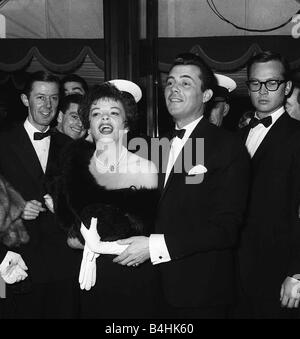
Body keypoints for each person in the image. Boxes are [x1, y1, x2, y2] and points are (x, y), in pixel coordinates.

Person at [111, 53, 250, 319]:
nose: (174, 89)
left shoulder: (228, 146)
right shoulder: (157, 145)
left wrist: (154, 246)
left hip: (200, 292)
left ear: (207, 95)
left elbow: (226, 229)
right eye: (171, 82)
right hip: (150, 288)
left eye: (186, 83)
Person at [55, 80, 160, 319]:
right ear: (88, 124)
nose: (104, 119)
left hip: (133, 279)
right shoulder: (73, 164)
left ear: (125, 122)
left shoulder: (145, 167)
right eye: (96, 114)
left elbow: (139, 226)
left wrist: (94, 237)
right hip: (90, 279)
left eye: (113, 113)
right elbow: (67, 223)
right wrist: (82, 233)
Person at [0, 71, 81, 319]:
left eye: (54, 99)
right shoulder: (3, 143)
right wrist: (16, 207)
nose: (47, 106)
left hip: (64, 263)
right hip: (20, 262)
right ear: (26, 100)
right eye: (40, 98)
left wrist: (64, 207)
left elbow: (83, 204)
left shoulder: (71, 148)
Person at [238, 51, 300, 318]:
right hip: (234, 271)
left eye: (272, 83)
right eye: (255, 83)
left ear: (286, 88)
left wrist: (297, 272)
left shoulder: (297, 136)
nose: (263, 91)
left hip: (278, 270)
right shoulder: (233, 139)